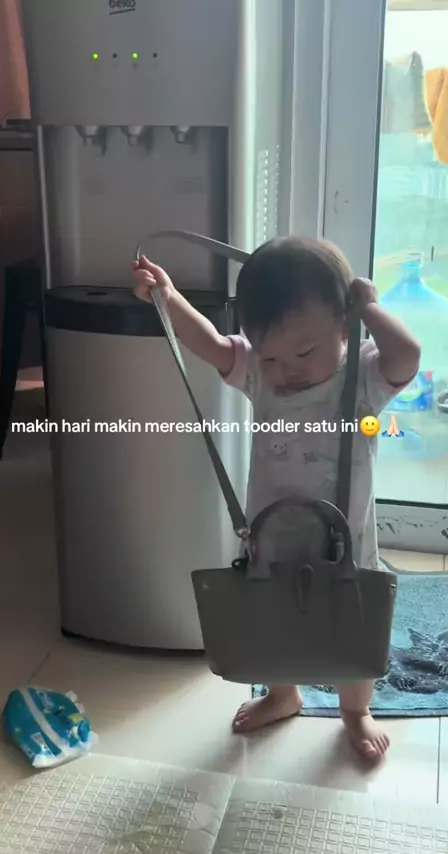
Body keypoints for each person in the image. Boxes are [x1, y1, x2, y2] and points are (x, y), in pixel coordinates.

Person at [132, 236, 420, 761]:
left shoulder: (362, 377)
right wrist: (169, 298)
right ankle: (283, 694)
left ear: (344, 324)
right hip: (273, 533)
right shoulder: (261, 377)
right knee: (273, 617)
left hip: (346, 539)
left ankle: (355, 709)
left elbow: (408, 356)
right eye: (269, 354)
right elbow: (211, 345)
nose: (286, 368)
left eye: (304, 352)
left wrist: (372, 309)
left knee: (354, 623)